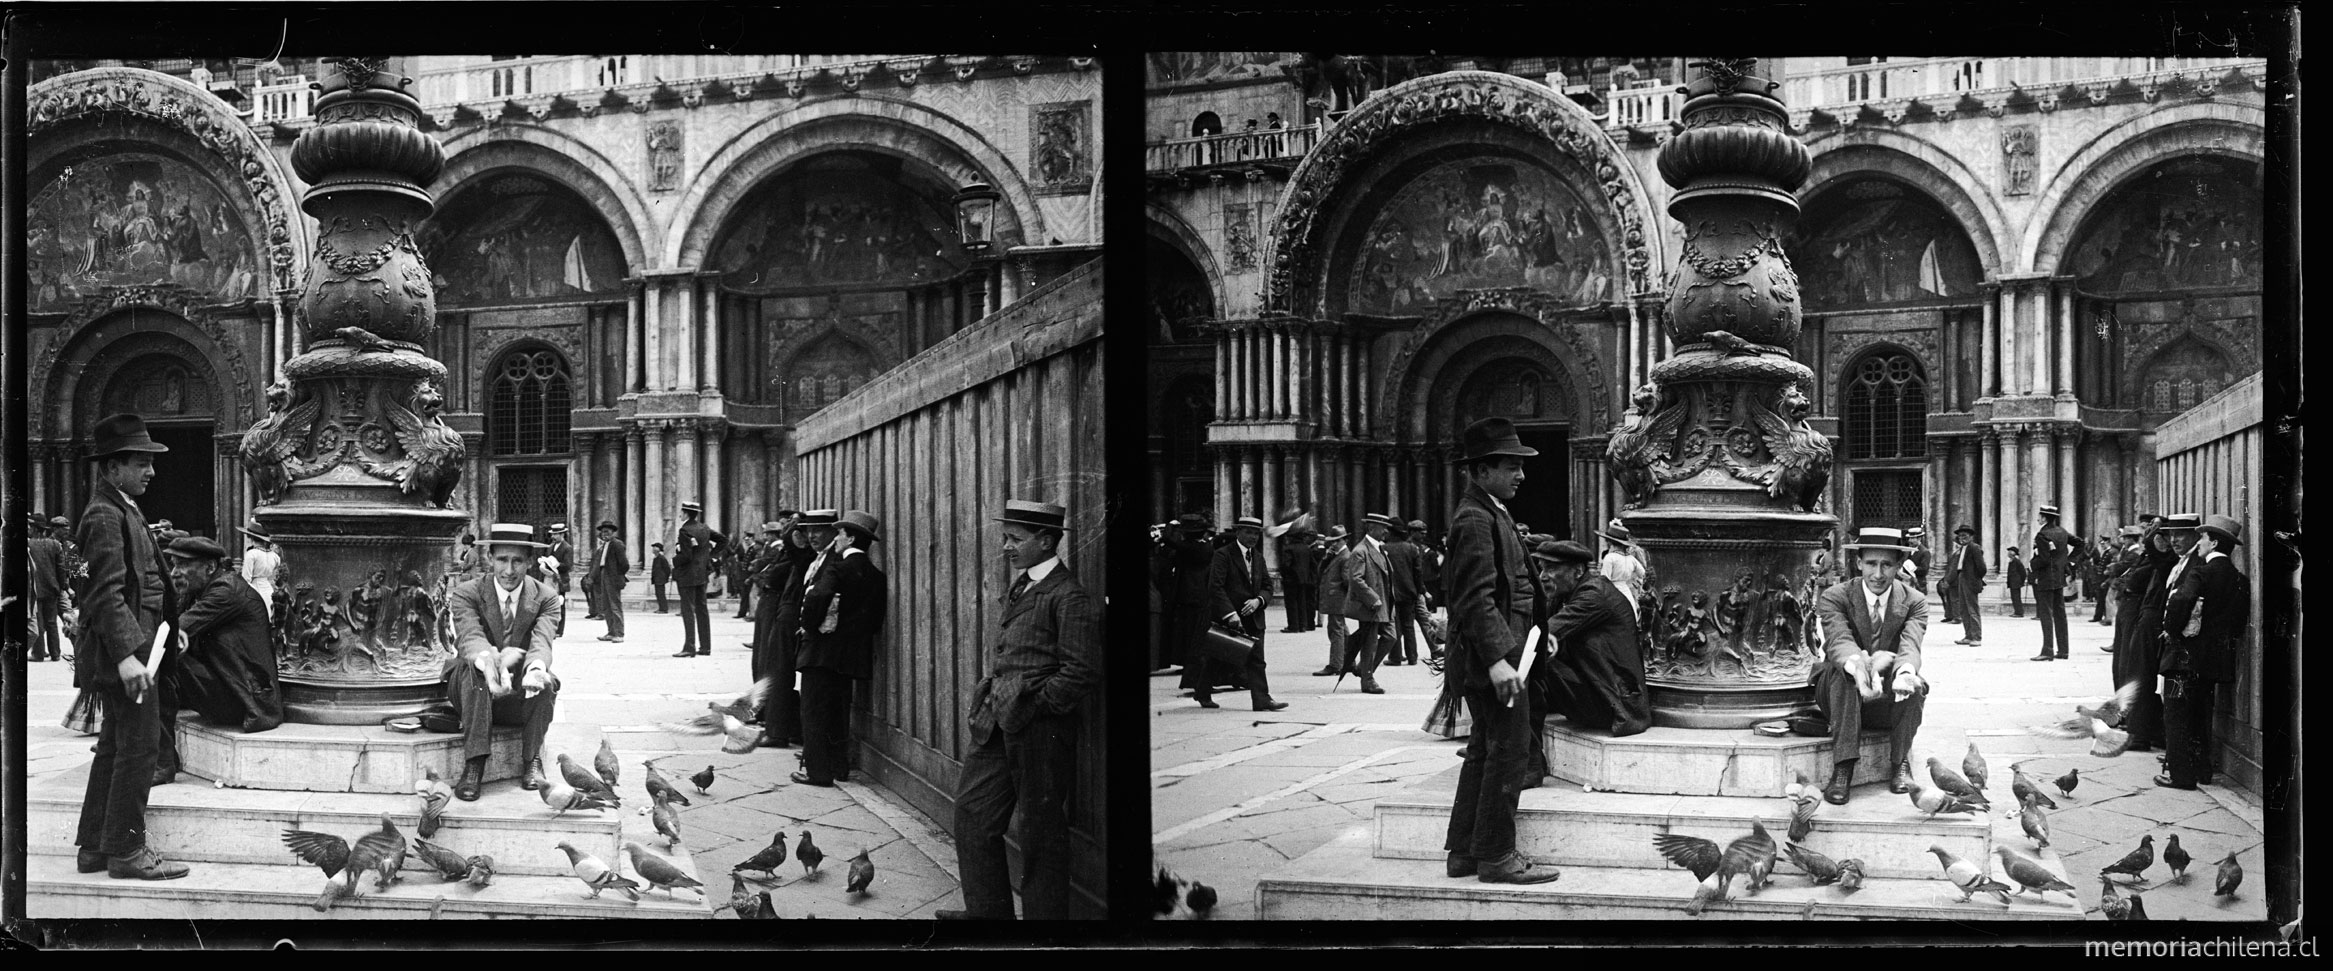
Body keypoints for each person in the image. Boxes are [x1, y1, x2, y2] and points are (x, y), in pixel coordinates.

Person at [937, 500, 1100, 921]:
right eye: (1005, 538)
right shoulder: (1024, 584)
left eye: (1015, 539)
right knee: (972, 815)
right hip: (996, 724)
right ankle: (988, 916)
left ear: (1046, 541)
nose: (1006, 547)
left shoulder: (1068, 597)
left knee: (1040, 833)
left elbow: (1079, 672)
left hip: (1039, 731)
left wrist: (1033, 706)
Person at [1440, 417, 1560, 885]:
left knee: (1482, 752)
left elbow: (1512, 590)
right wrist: (1496, 660)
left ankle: (1464, 852)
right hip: (1497, 662)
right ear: (1482, 469)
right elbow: (1474, 598)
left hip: (1511, 652)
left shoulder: (1490, 510)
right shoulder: (1474, 517)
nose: (1521, 475)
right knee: (1508, 753)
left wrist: (1534, 631)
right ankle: (1496, 856)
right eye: (1512, 466)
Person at [72, 413, 188, 880]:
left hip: (143, 646)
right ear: (113, 466)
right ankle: (125, 852)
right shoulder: (104, 514)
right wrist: (125, 657)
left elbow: (143, 584)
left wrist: (165, 625)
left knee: (115, 746)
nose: (151, 471)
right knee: (139, 749)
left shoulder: (121, 507)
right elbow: (104, 592)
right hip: (130, 656)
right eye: (141, 462)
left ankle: (94, 848)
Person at [441, 523, 563, 801]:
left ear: (530, 562)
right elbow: (470, 637)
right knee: (474, 672)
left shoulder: (546, 598)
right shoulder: (467, 592)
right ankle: (474, 763)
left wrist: (535, 670)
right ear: (490, 559)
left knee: (548, 681)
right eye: (502, 560)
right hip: (471, 690)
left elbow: (542, 640)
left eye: (517, 561)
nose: (509, 570)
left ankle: (531, 759)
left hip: (517, 696)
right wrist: (491, 666)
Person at [1810, 526, 1931, 806]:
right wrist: (1861, 669)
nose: (1878, 574)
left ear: (1898, 566)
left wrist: (1904, 673)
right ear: (1858, 563)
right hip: (1838, 695)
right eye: (1871, 564)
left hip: (1884, 701)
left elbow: (1911, 644)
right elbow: (1839, 640)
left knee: (1917, 685)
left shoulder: (1915, 602)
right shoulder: (1835, 596)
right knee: (1843, 673)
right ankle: (1843, 767)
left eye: (1887, 565)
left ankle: (1900, 762)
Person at [795, 509, 885, 787]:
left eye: (841, 533)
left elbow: (817, 598)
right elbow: (874, 619)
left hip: (821, 651)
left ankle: (818, 773)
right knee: (838, 711)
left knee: (813, 713)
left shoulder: (837, 568)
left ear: (850, 538)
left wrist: (808, 627)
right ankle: (838, 766)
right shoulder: (875, 575)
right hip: (850, 657)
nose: (837, 538)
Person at [2158, 514, 2248, 790]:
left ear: (2214, 542)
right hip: (2212, 662)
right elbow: (2237, 622)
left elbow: (2181, 603)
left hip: (2183, 658)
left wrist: (2171, 631)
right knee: (2201, 713)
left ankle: (2181, 776)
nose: (2200, 542)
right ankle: (2202, 770)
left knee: (2175, 714)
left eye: (2204, 538)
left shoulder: (2201, 572)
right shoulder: (2239, 579)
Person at [161, 535, 283, 733]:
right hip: (235, 693)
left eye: (182, 565)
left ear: (209, 568)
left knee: (164, 652)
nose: (174, 573)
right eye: (174, 565)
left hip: (246, 702)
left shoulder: (226, 590)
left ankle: (150, 746)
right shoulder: (200, 589)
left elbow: (173, 629)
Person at [1541, 538, 1650, 739]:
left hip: (1615, 705)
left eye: (1551, 568)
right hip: (1602, 694)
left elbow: (1542, 633)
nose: (1543, 576)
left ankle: (1519, 751)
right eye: (1542, 568)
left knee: (1532, 659)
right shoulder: (1566, 594)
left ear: (1577, 571)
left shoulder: (1594, 594)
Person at [761, 510, 832, 749]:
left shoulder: (811, 555)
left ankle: (778, 730)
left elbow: (793, 549)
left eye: (817, 530)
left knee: (779, 672)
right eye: (808, 530)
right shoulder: (816, 555)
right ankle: (787, 728)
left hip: (791, 616)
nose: (811, 536)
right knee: (780, 672)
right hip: (789, 612)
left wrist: (793, 528)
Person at [1201, 516, 1286, 711]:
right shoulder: (1223, 555)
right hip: (1230, 617)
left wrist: (1259, 601)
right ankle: (1202, 691)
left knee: (1257, 659)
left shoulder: (1258, 557)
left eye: (1256, 533)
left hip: (1254, 617)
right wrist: (1230, 613)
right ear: (1238, 532)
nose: (1253, 537)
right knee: (1220, 656)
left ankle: (1261, 699)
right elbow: (1215, 586)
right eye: (1248, 532)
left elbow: (1267, 586)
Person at [1342, 514, 1397, 693]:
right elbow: (1356, 579)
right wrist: (1372, 598)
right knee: (1370, 642)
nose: (1386, 531)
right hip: (1371, 605)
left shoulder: (1379, 548)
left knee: (1391, 637)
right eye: (1383, 527)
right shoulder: (1361, 551)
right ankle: (1368, 680)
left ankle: (1362, 669)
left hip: (1384, 604)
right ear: (1372, 528)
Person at [1161, 514, 1216, 680]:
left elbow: (1168, 539)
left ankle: (1190, 666)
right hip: (1198, 594)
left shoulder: (1191, 547)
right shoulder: (1205, 546)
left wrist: (1171, 525)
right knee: (1190, 633)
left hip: (1189, 595)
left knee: (1188, 633)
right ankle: (1189, 664)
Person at [671, 499, 725, 658]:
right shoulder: (704, 528)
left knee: (688, 611)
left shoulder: (685, 531)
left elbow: (686, 556)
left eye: (681, 512)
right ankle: (705, 647)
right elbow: (723, 540)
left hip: (687, 575)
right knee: (702, 610)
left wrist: (675, 559)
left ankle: (689, 647)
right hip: (702, 574)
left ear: (686, 513)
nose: (680, 514)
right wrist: (711, 556)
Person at [2029, 503, 2082, 661]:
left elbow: (2044, 559)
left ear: (2044, 517)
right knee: (2060, 614)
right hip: (2059, 578)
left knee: (2046, 614)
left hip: (2046, 578)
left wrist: (2032, 564)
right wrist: (2069, 562)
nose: (2038, 518)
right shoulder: (2062, 532)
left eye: (2039, 515)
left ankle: (2047, 651)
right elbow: (2080, 543)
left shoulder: (2042, 535)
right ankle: (2063, 650)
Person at [1389, 519, 1438, 667]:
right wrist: (1422, 591)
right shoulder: (1412, 548)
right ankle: (1411, 656)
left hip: (1402, 591)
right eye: (1421, 533)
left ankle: (1396, 656)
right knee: (1411, 624)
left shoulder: (1390, 547)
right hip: (1413, 591)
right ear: (1412, 532)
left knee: (1401, 624)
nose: (1424, 535)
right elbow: (1417, 573)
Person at [1313, 526, 1352, 677]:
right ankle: (1349, 661)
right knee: (1342, 630)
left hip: (1338, 598)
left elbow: (1347, 580)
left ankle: (1336, 664)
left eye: (1338, 540)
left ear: (1345, 540)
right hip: (1334, 598)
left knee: (1335, 630)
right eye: (1333, 541)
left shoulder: (1346, 556)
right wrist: (1326, 558)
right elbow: (1320, 571)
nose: (1334, 544)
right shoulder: (1336, 555)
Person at [31, 513, 69, 662]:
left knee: (40, 622)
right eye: (64, 529)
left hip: (37, 589)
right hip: (53, 589)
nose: (67, 532)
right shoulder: (56, 545)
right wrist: (62, 587)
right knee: (51, 623)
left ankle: (38, 654)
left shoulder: (29, 544)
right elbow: (62, 569)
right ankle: (55, 653)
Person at [589, 520, 629, 643]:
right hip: (603, 575)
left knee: (615, 606)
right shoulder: (604, 545)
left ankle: (619, 633)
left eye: (607, 532)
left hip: (612, 577)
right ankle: (611, 632)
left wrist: (616, 575)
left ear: (612, 532)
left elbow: (624, 564)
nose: (604, 534)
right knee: (606, 605)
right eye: (602, 532)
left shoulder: (617, 544)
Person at [1947, 525, 1986, 646]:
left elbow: (1982, 568)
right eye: (1960, 536)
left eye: (1964, 536)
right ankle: (1968, 635)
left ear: (1971, 537)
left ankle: (1977, 637)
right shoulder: (1962, 549)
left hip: (1970, 580)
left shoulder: (1974, 548)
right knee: (1963, 609)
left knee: (1972, 609)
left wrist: (1975, 579)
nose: (1961, 538)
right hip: (1961, 578)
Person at [1279, 527, 1320, 634]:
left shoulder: (1289, 548)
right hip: (1304, 581)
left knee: (1291, 603)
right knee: (1302, 602)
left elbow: (1285, 565)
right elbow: (1313, 564)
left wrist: (1284, 575)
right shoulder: (1306, 548)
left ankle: (1293, 626)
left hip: (1291, 580)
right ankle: (1303, 626)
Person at [2004, 545, 2028, 617]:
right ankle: (2017, 611)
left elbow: (2023, 572)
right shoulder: (2012, 561)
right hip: (2012, 583)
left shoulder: (2017, 561)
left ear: (2013, 553)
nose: (2008, 553)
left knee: (2016, 598)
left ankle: (2019, 612)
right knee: (2014, 598)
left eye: (2010, 551)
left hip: (2016, 583)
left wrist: (2021, 581)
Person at [648, 542, 672, 612]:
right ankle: (661, 608)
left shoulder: (661, 558)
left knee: (661, 594)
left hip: (660, 579)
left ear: (658, 549)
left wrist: (665, 578)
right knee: (658, 594)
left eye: (654, 547)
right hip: (657, 579)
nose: (653, 549)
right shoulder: (656, 558)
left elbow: (667, 569)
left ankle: (664, 609)